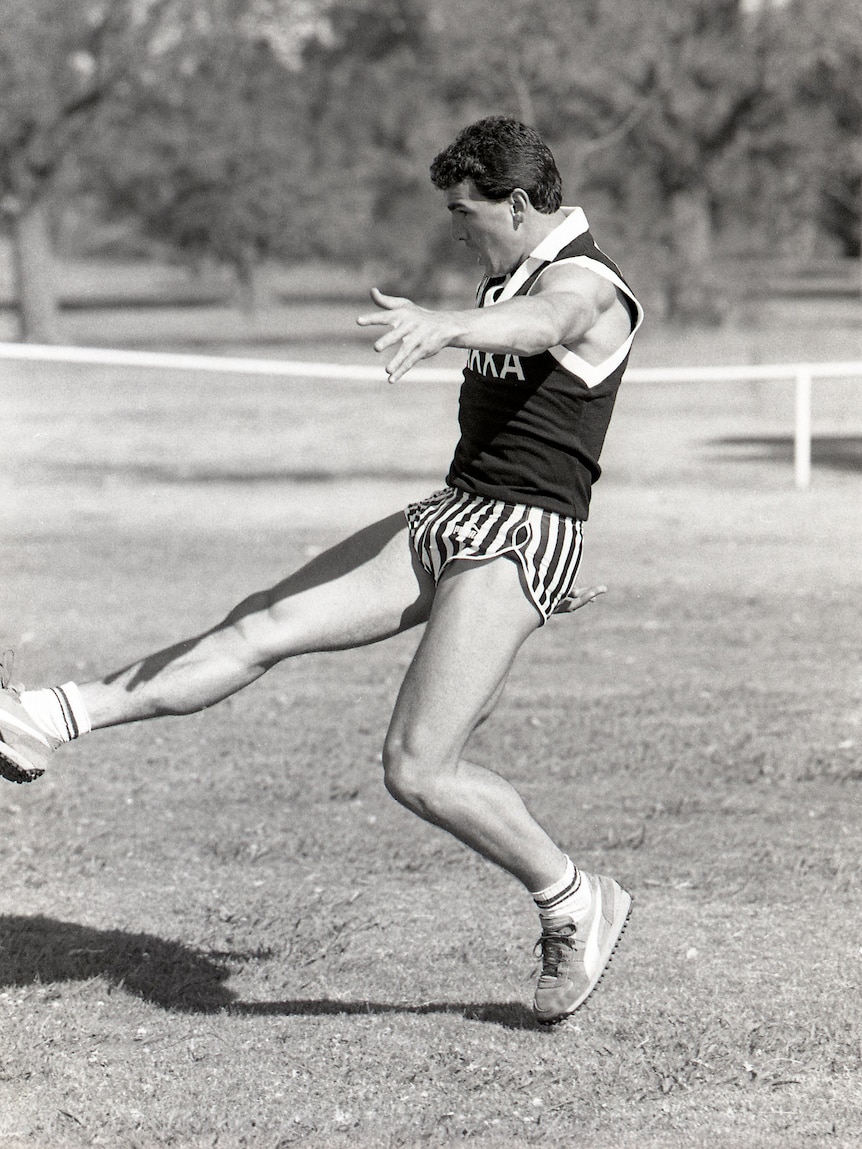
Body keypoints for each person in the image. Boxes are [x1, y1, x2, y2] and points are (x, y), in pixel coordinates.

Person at [0, 116, 643, 1024]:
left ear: (521, 203)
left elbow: (553, 323)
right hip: (455, 513)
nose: (457, 228)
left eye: (466, 212)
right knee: (263, 622)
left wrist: (447, 323)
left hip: (518, 535)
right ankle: (45, 718)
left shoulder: (585, 280)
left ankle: (574, 898)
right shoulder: (511, 270)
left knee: (419, 766)